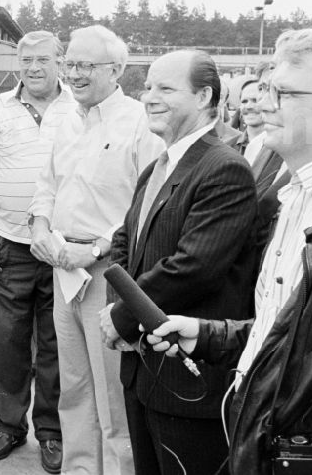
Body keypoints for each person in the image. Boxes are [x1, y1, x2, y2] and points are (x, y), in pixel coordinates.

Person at [147, 31, 312, 475]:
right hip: (259, 443)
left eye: (284, 92)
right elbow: (295, 338)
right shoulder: (295, 197)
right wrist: (208, 335)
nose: (263, 103)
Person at [98, 50, 258, 475]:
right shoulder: (159, 166)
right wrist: (121, 318)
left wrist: (121, 316)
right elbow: (124, 243)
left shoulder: (224, 168)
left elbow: (194, 266)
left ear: (204, 96)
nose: (149, 97)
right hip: (144, 370)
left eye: (165, 88)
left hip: (187, 384)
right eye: (148, 86)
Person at [28, 26, 163, 475]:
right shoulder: (62, 118)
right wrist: (41, 226)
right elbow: (46, 185)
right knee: (74, 387)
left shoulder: (141, 122)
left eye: (86, 66)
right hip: (62, 268)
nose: (75, 74)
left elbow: (148, 203)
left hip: (110, 273)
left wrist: (100, 247)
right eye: (70, 64)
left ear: (117, 70)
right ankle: (81, 469)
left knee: (112, 398)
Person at [0, 30, 76, 473]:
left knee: (55, 345)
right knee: (5, 342)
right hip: (8, 247)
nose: (33, 68)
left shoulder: (79, 109)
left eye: (42, 60)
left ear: (61, 62)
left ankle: (50, 433)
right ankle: (9, 426)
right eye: (25, 59)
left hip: (60, 248)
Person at [230, 78, 266, 164]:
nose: (249, 106)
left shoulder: (279, 148)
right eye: (244, 101)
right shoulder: (228, 146)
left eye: (255, 100)